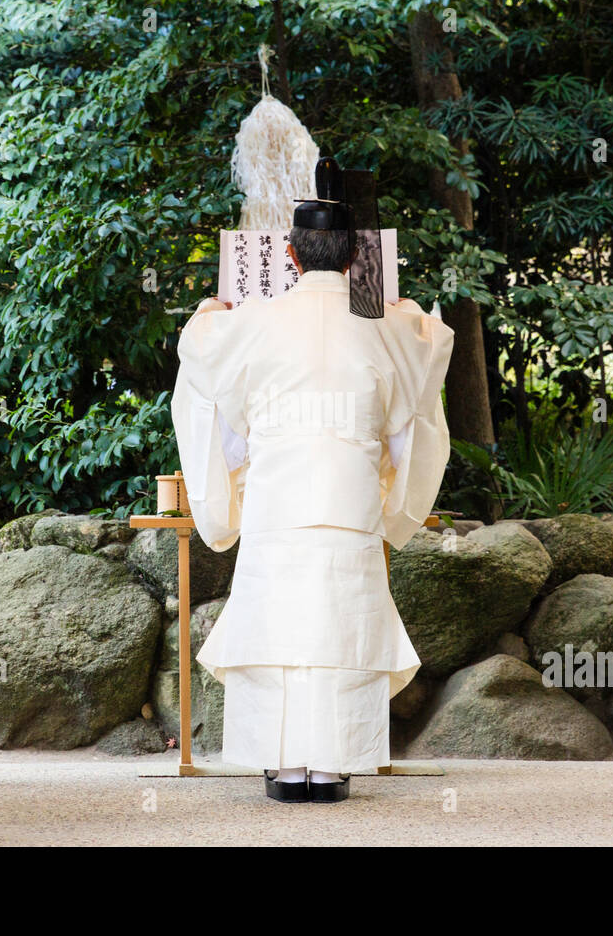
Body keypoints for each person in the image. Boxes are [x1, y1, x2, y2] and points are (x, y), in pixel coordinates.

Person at [171, 157, 454, 802]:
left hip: (278, 494)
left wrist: (208, 309)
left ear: (291, 257)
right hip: (349, 493)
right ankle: (331, 766)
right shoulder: (382, 319)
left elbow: (200, 355)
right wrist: (402, 303)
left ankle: (284, 765)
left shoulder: (256, 320)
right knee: (341, 620)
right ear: (357, 254)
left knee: (279, 619)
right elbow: (430, 350)